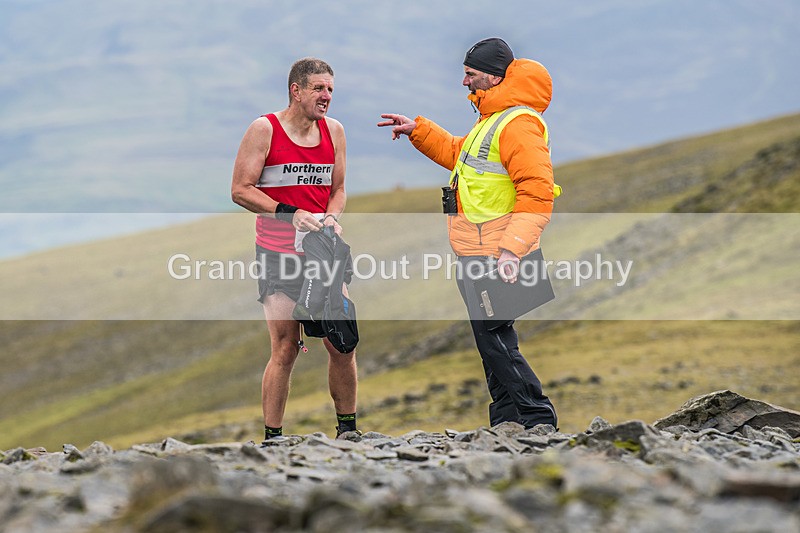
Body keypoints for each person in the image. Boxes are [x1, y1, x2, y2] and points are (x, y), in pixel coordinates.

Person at [378, 38, 558, 429]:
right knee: (489, 342)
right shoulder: (493, 120)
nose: (464, 82)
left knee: (496, 341)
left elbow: (537, 192)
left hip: (498, 253)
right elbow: (461, 153)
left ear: (493, 77)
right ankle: (508, 421)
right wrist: (417, 130)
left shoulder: (518, 125)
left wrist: (512, 251)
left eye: (471, 74)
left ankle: (536, 417)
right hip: (476, 249)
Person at [231, 57, 358, 443]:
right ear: (296, 90)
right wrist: (290, 214)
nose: (326, 97)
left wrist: (332, 217)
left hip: (323, 252)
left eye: (331, 90)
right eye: (319, 89)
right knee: (285, 346)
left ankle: (349, 431)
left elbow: (337, 190)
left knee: (342, 342)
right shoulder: (264, 129)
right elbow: (240, 190)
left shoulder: (334, 131)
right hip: (278, 253)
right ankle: (273, 437)